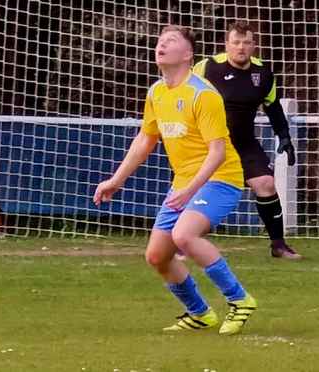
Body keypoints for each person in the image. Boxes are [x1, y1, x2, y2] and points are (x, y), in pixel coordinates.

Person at [93, 25, 257, 335]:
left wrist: (189, 191)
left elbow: (218, 153)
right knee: (157, 255)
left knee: (184, 235)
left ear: (187, 54)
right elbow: (145, 139)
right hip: (185, 183)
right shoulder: (156, 92)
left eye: (170, 41)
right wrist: (116, 180)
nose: (161, 45)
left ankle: (240, 300)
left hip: (221, 178)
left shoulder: (203, 94)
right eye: (159, 41)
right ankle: (199, 313)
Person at [194, 21, 301, 260]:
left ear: (254, 46)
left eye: (246, 42)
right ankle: (182, 243)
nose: (241, 47)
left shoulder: (263, 73)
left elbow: (272, 106)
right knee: (193, 188)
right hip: (209, 143)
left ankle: (279, 245)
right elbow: (186, 95)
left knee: (266, 184)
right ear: (227, 45)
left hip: (244, 143)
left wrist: (284, 136)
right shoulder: (207, 68)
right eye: (236, 42)